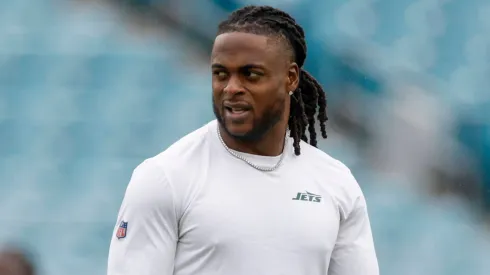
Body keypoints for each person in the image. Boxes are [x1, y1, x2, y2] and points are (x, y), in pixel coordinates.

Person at [107, 5, 378, 275]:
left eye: (251, 74)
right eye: (221, 74)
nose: (232, 88)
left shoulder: (336, 184)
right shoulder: (164, 179)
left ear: (290, 79)